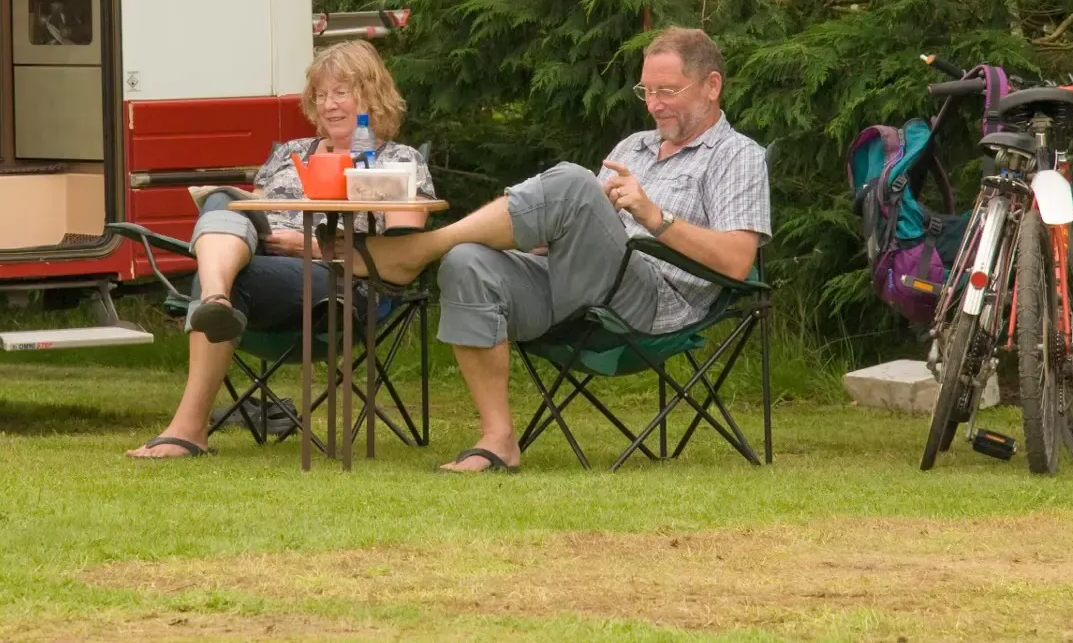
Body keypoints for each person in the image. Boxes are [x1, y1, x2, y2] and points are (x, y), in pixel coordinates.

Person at [346, 26, 769, 473]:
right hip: (579, 287)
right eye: (646, 90)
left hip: (654, 304)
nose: (653, 104)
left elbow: (737, 262)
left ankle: (420, 248)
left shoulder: (736, 155)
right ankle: (498, 439)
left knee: (572, 182)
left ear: (712, 85)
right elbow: (575, 219)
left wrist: (655, 217)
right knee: (468, 262)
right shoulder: (634, 147)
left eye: (667, 90)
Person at [127, 40, 435, 459]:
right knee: (223, 202)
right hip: (265, 263)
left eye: (341, 92)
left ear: (370, 93)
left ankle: (189, 423)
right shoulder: (290, 154)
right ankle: (216, 297)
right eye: (321, 95)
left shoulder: (399, 161)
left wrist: (307, 245)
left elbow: (405, 253)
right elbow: (249, 219)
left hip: (344, 282)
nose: (329, 105)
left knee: (232, 278)